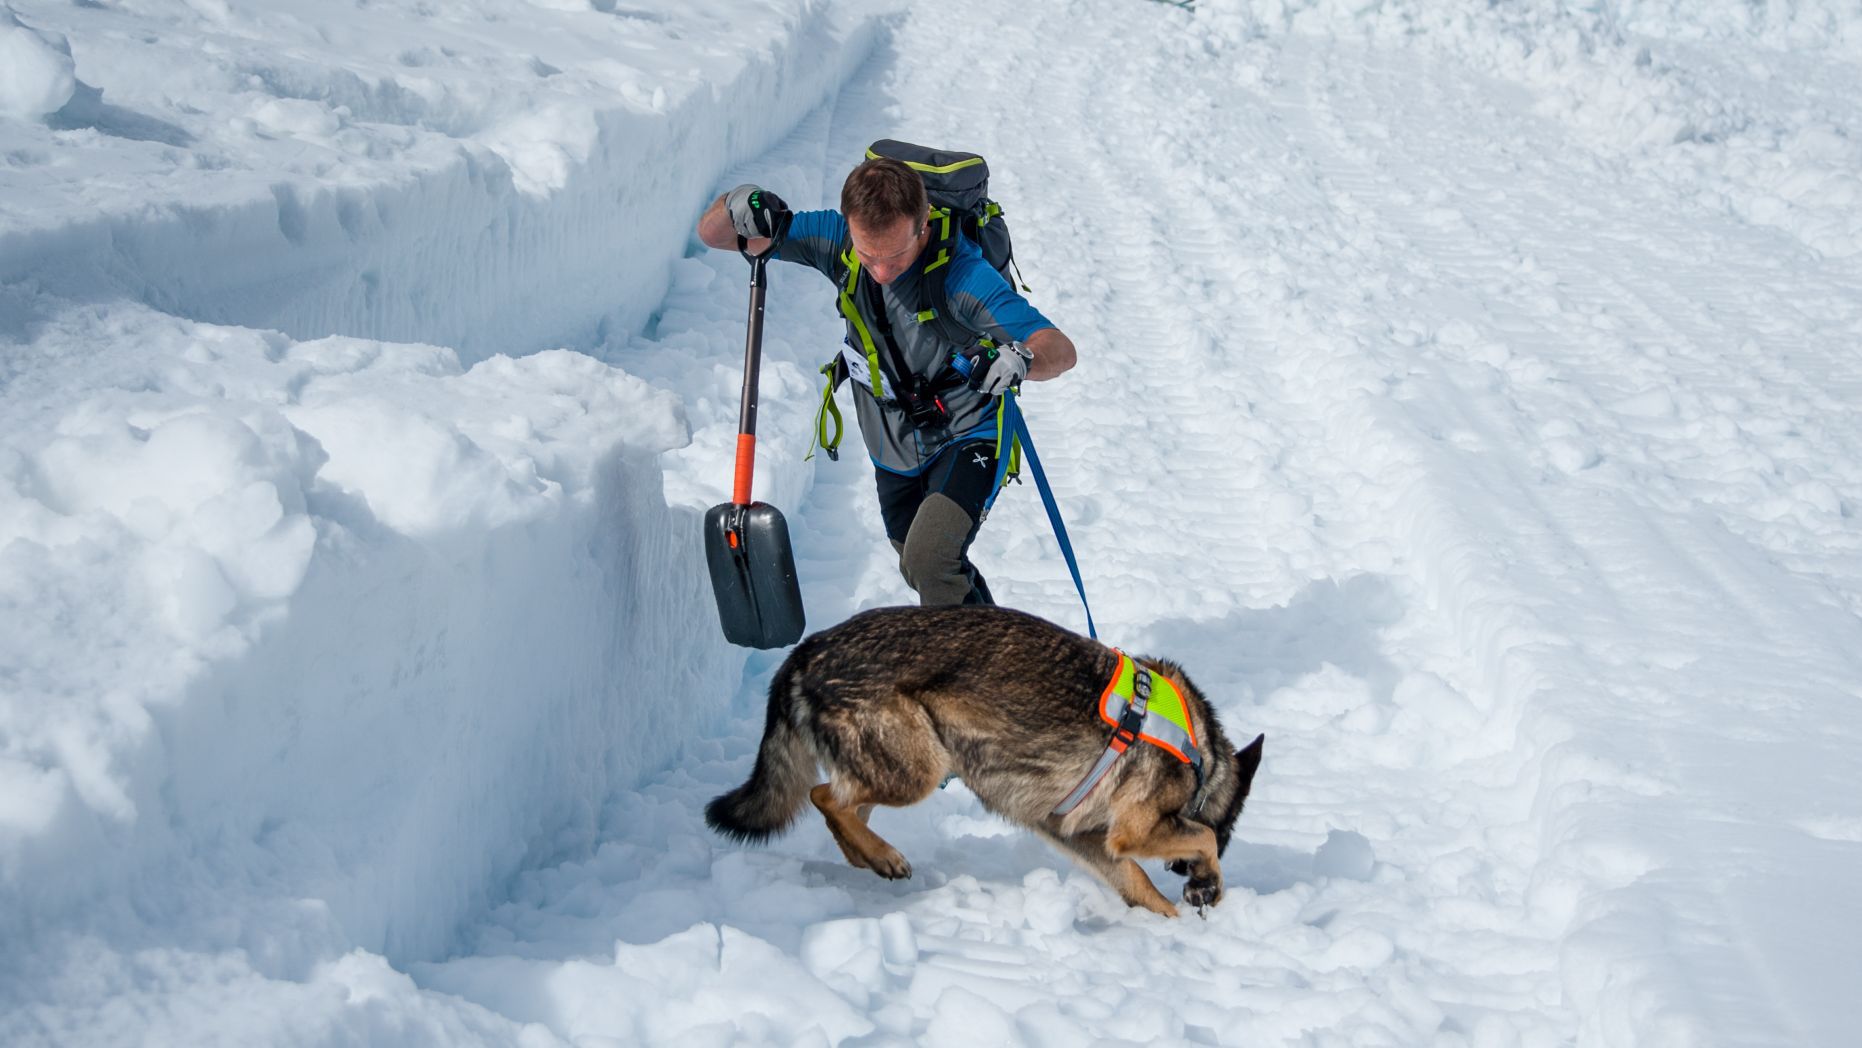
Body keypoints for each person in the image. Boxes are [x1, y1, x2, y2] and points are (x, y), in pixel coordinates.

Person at [696, 158, 1076, 607]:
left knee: (932, 560)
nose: (879, 271)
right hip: (890, 442)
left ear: (923, 227)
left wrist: (1022, 360)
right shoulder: (836, 240)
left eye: (894, 256)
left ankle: (967, 675)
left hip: (966, 433)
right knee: (923, 567)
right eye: (867, 254)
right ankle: (1001, 655)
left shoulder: (963, 276)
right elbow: (715, 234)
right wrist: (738, 203)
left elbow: (1059, 348)